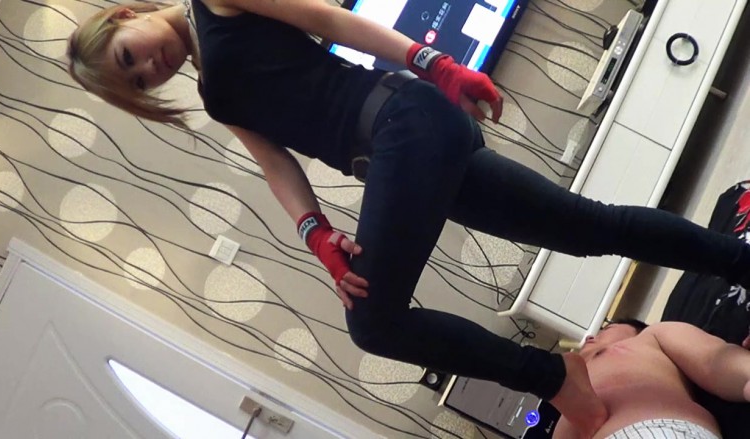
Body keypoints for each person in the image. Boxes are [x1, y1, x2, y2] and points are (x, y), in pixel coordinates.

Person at [66, 1, 750, 436]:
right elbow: (276, 165)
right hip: (403, 149)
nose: (150, 66)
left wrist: (437, 63)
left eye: (130, 54)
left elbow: (331, 20)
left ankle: (549, 376)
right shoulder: (215, 93)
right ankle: (740, 260)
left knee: (375, 322)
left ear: (127, 15)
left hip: (404, 122)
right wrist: (316, 236)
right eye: (139, 81)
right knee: (589, 228)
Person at [553, 319, 750, 438]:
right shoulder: (563, 391)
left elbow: (711, 359)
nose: (589, 337)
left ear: (636, 331)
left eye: (606, 329)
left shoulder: (650, 337)